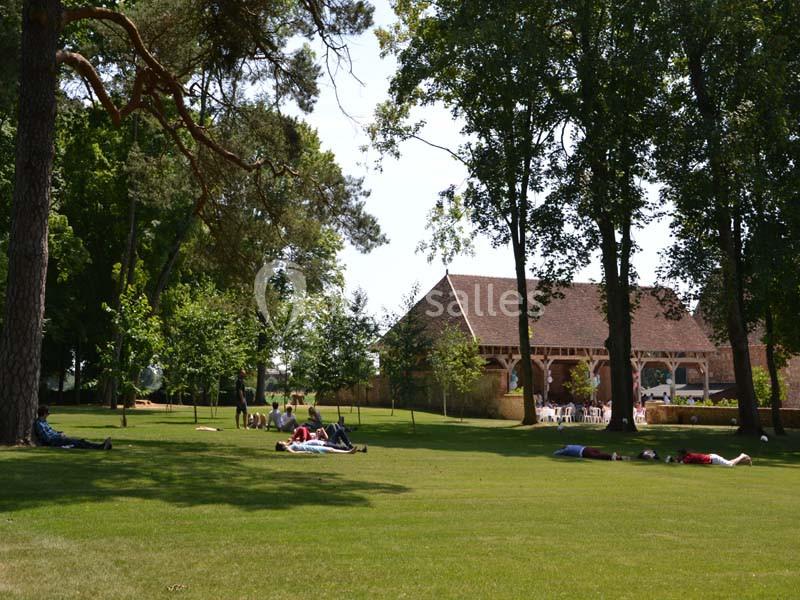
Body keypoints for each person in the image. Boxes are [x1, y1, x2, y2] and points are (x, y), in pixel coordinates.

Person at [33, 406, 112, 450]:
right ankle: (100, 447)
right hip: (54, 441)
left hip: (57, 439)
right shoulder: (39, 424)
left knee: (79, 441)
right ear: (43, 414)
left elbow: (52, 431)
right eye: (47, 413)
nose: (48, 415)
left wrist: (59, 433)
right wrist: (59, 436)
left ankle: (101, 446)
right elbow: (47, 439)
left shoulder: (44, 422)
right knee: (77, 443)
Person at [669, 448, 752, 467]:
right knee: (729, 462)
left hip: (713, 459)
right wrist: (675, 459)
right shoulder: (687, 456)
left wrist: (672, 460)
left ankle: (742, 455)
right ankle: (746, 460)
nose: (678, 456)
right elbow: (680, 460)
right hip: (712, 457)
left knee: (730, 465)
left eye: (679, 454)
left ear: (683, 454)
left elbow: (682, 463)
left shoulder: (688, 457)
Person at [275, 440, 366, 454]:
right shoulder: (287, 448)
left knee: (331, 449)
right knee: (331, 450)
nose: (283, 441)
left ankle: (350, 452)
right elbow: (294, 453)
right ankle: (349, 452)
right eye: (281, 442)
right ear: (282, 446)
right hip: (311, 449)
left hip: (312, 447)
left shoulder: (289, 445)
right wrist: (305, 452)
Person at [553, 444, 625, 461]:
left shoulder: (566, 450)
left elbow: (556, 453)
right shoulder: (570, 445)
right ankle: (615, 456)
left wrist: (558, 451)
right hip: (586, 448)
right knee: (598, 452)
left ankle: (611, 457)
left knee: (597, 456)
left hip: (583, 452)